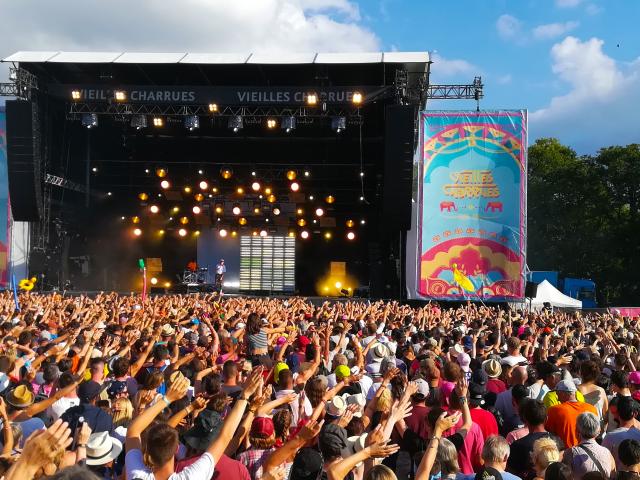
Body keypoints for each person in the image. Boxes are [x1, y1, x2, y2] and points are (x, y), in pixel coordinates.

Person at [545, 380, 598, 448]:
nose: (557, 397)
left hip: (567, 454)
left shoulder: (554, 410)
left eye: (557, 393)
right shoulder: (591, 409)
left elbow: (548, 431)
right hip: (589, 451)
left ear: (563, 393)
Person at [562, 412, 615, 479]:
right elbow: (613, 476)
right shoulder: (607, 453)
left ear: (577, 431)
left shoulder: (570, 453)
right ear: (598, 431)